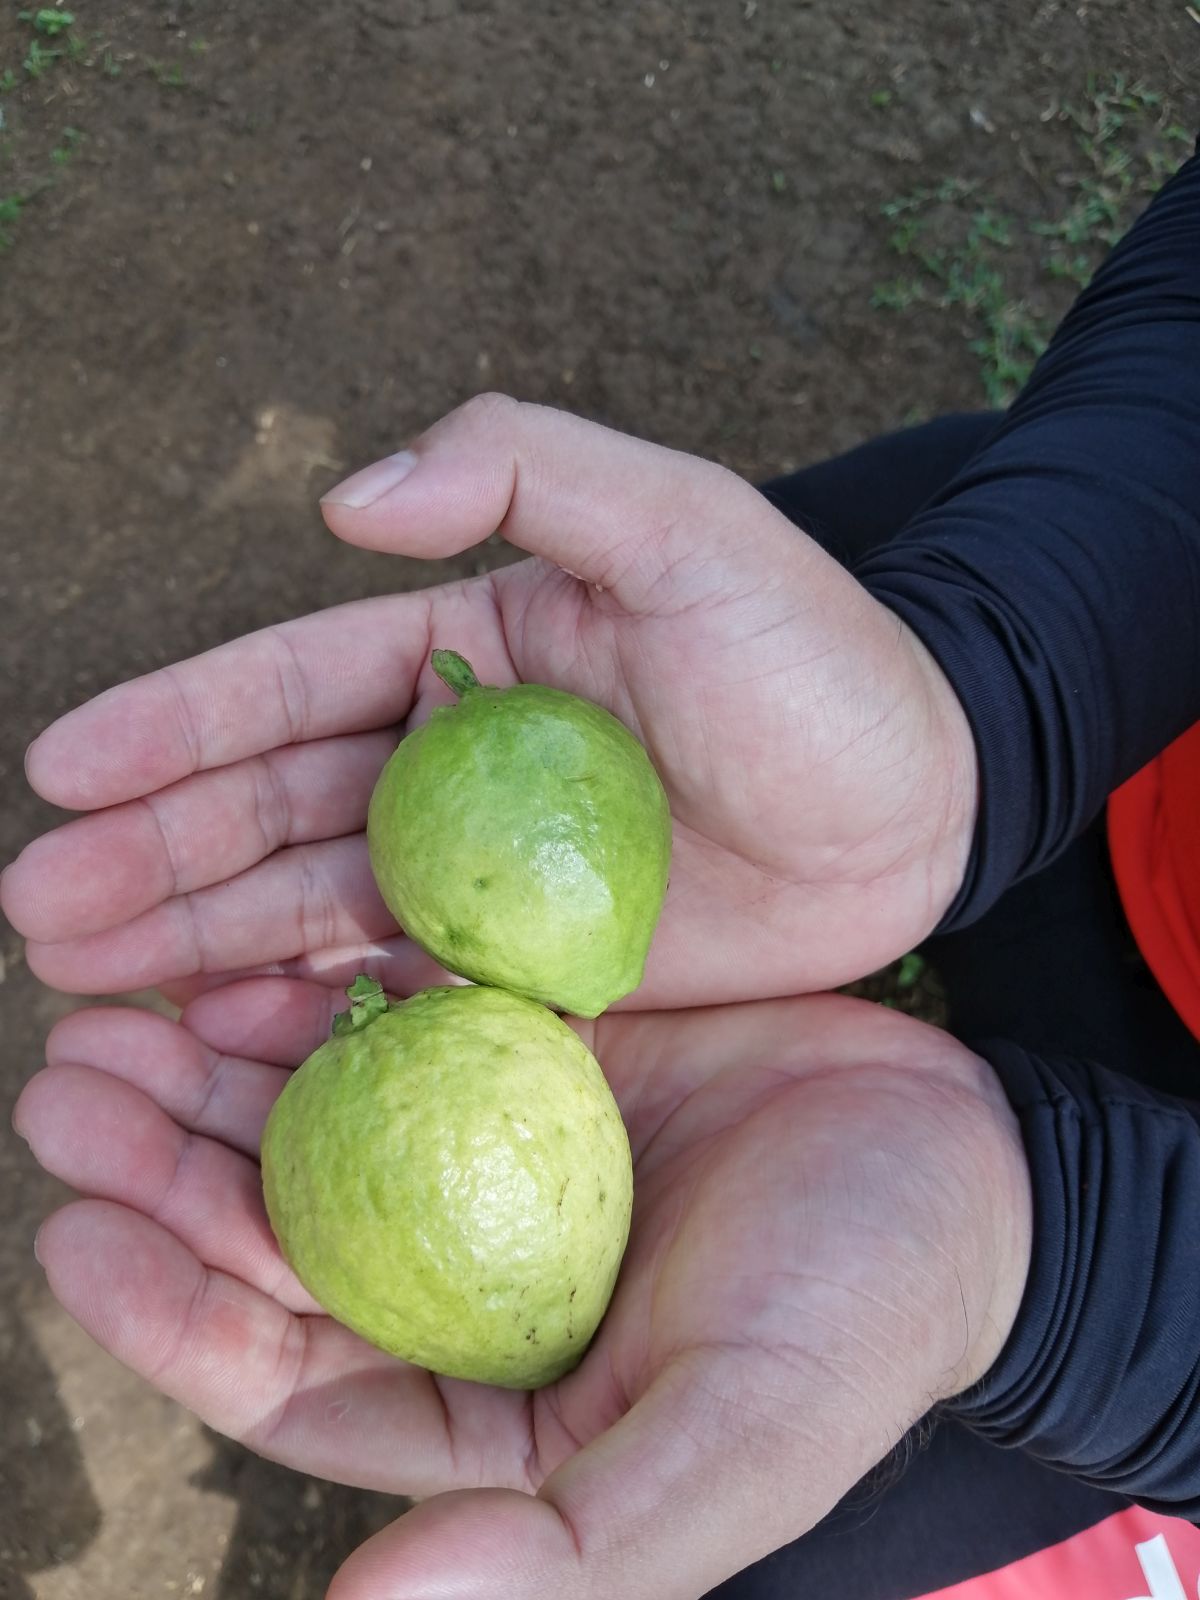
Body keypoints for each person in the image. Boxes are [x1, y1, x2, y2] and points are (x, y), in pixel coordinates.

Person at [4, 136, 1199, 1600]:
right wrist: (987, 700)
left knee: (766, 1532)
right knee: (855, 546)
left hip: (1144, 1335)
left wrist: (1063, 1272)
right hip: (1108, 670)